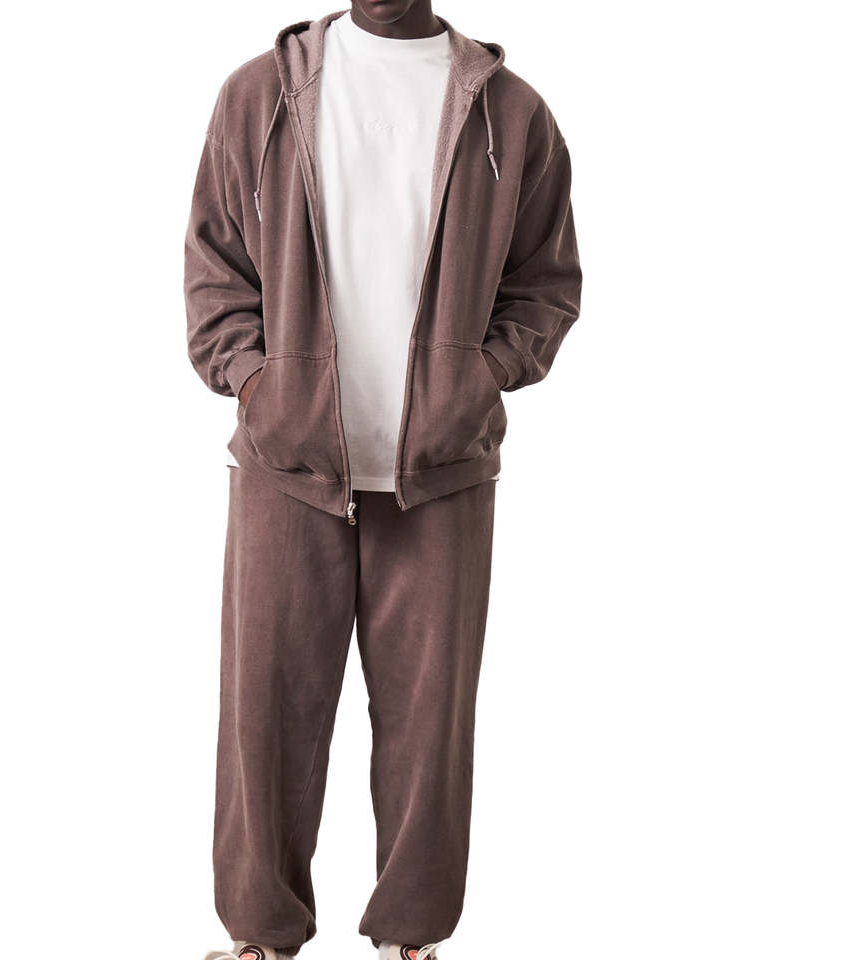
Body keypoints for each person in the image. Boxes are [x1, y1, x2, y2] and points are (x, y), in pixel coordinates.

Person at [184, 1, 581, 957]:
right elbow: (214, 269)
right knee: (266, 714)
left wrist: (480, 378)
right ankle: (261, 937)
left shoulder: (512, 112)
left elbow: (546, 282)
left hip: (441, 471)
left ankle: (413, 939)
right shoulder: (257, 96)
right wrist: (258, 384)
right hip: (287, 465)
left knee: (428, 724)